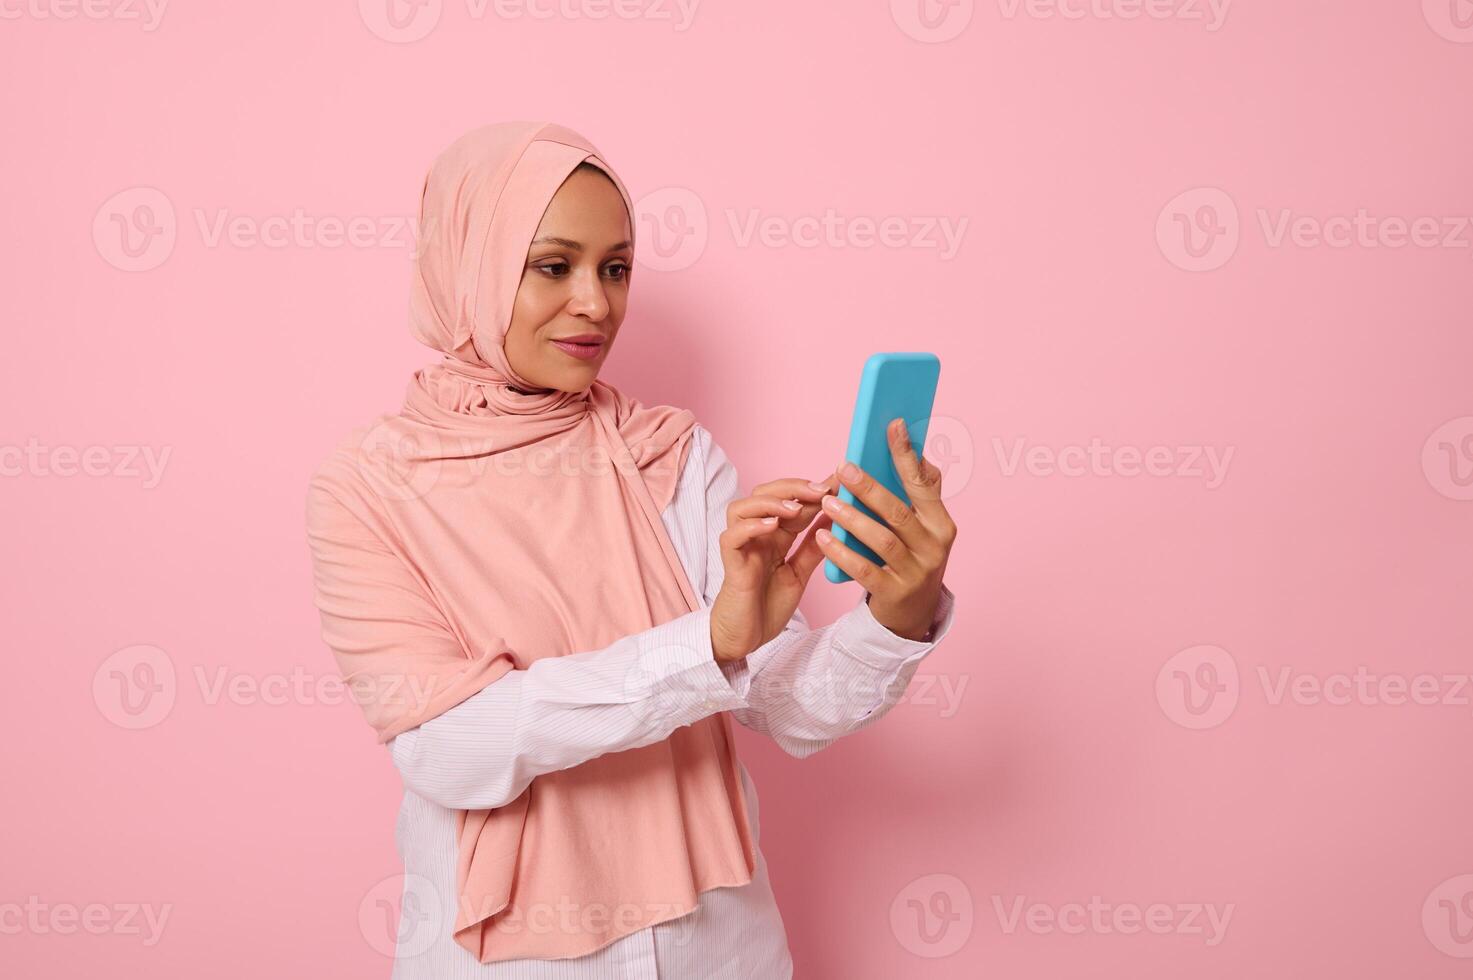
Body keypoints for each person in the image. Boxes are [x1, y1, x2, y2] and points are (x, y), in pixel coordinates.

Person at [304, 120, 959, 979]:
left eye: (615, 267)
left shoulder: (671, 455)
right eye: (552, 265)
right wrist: (708, 644)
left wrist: (897, 614)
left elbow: (791, 711)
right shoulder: (369, 485)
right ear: (470, 263)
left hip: (719, 943)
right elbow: (450, 748)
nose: (595, 302)